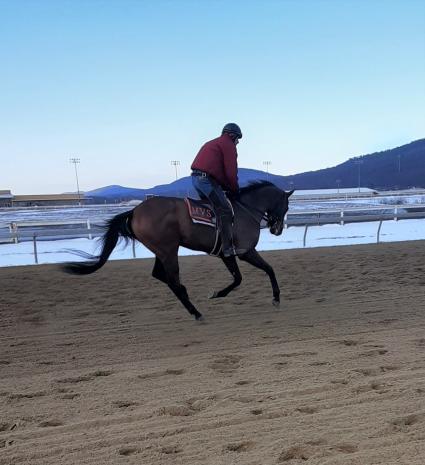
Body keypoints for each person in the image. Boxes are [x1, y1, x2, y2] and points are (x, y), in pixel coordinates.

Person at [191, 123, 242, 257]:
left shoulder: (213, 143)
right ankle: (226, 248)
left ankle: (210, 240)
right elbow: (231, 172)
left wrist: (226, 186)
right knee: (224, 208)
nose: (237, 142)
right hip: (206, 181)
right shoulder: (228, 145)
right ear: (232, 136)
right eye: (237, 139)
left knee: (211, 209)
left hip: (195, 179)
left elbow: (218, 172)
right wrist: (235, 189)